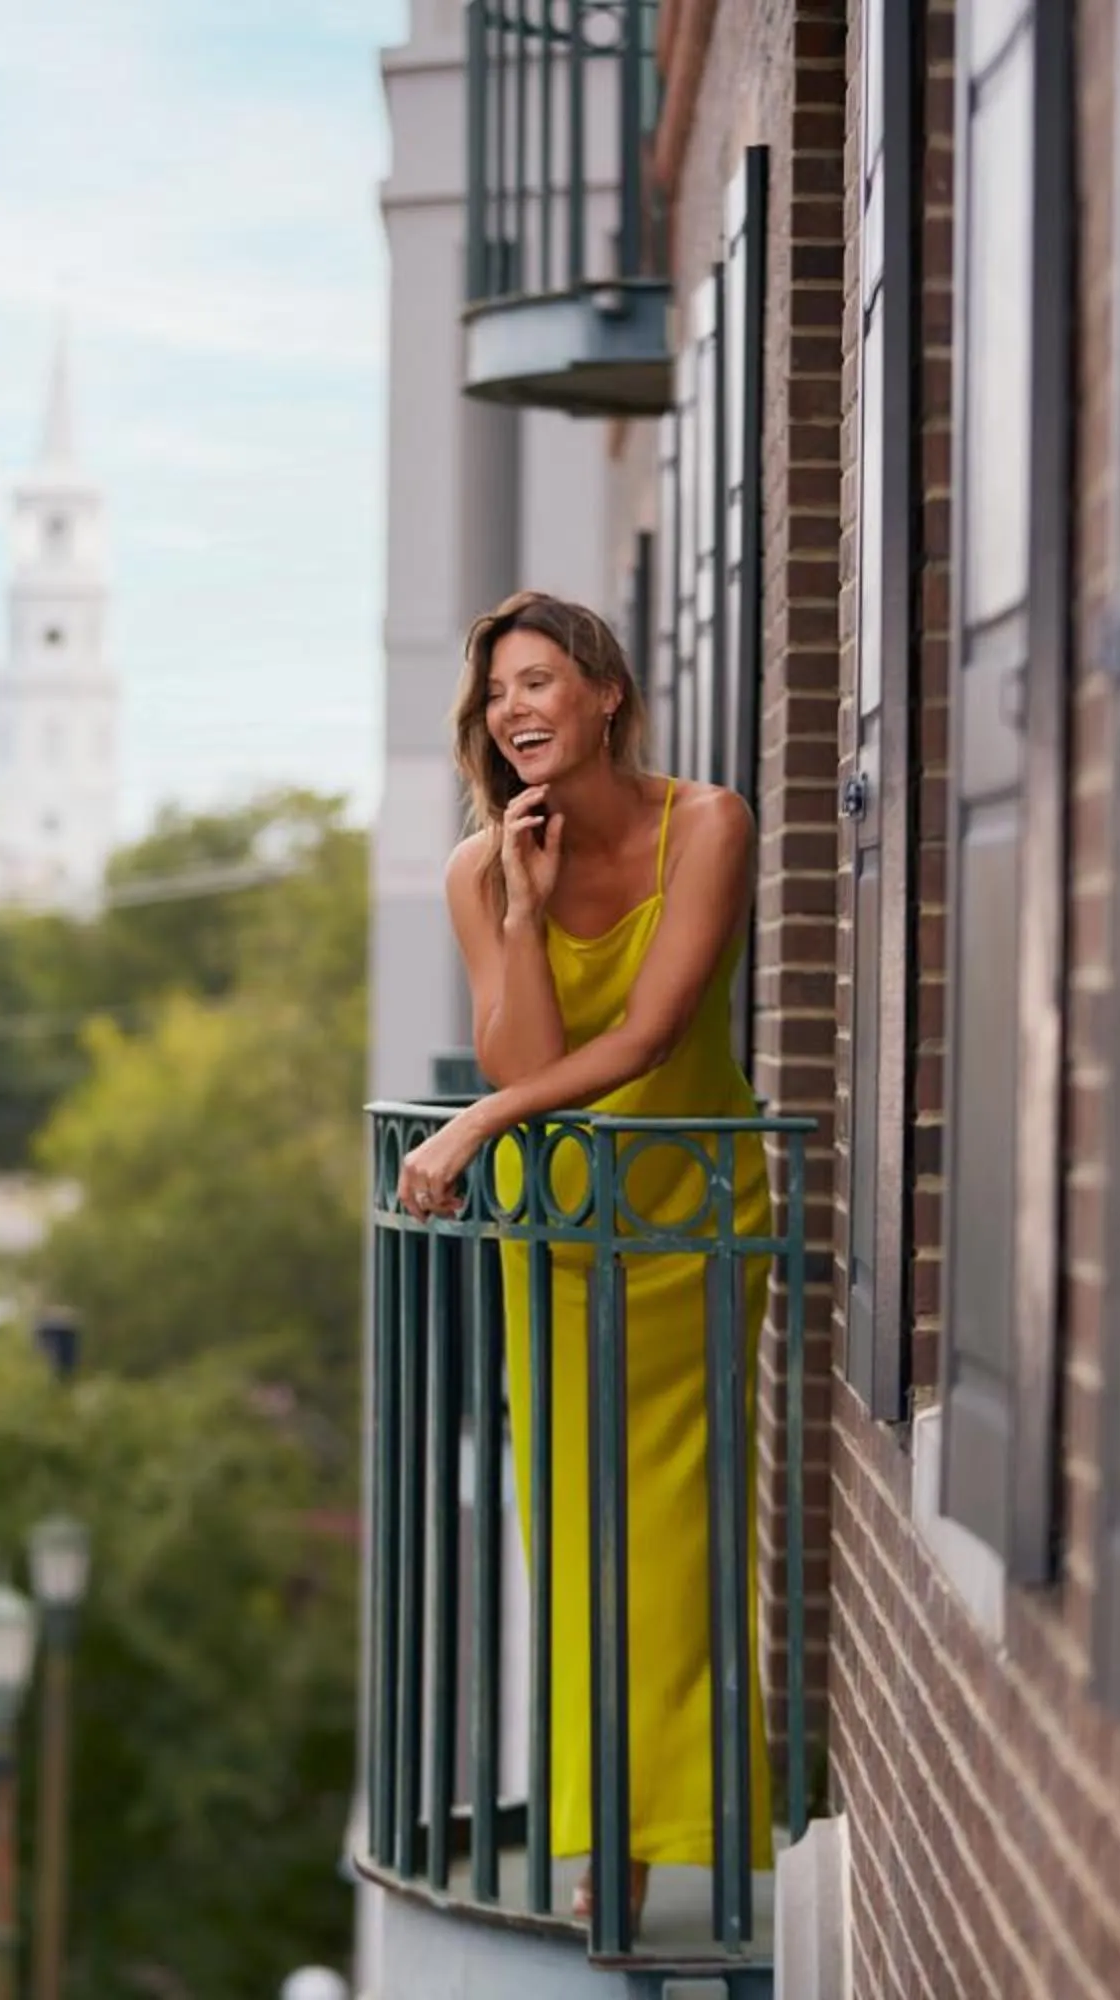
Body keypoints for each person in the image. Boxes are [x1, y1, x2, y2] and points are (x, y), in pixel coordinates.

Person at [394, 589, 774, 1928]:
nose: (516, 710)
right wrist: (522, 909)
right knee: (578, 1542)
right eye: (498, 692)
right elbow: (533, 1060)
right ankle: (606, 1838)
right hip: (562, 1235)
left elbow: (653, 1036)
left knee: (685, 1535)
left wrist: (475, 1127)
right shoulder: (477, 868)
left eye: (539, 681)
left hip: (693, 1222)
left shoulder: (708, 824)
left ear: (606, 693)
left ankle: (678, 1830)